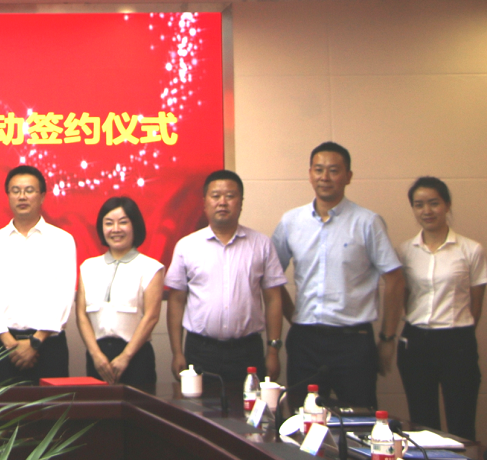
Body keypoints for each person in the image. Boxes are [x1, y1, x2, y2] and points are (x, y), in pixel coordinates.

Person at [272, 142, 404, 409]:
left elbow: (395, 279)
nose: (325, 177)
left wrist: (388, 338)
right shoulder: (291, 221)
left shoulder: (367, 222)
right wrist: (293, 316)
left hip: (353, 342)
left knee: (359, 418)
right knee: (302, 418)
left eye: (333, 170)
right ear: (310, 174)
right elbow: (271, 279)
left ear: (348, 176)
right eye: (319, 170)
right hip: (305, 341)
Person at [165, 170, 286, 392]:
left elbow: (273, 299)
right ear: (204, 203)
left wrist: (273, 350)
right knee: (199, 410)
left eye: (230, 196)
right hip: (200, 351)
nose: (222, 202)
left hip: (247, 351)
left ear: (241, 202)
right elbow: (176, 301)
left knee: (248, 409)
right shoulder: (187, 246)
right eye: (216, 196)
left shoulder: (261, 244)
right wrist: (177, 352)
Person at [396, 177, 484, 441]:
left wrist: (459, 333)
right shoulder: (405, 251)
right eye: (419, 204)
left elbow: (476, 303)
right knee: (422, 424)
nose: (427, 211)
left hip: (457, 341)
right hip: (416, 342)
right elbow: (404, 297)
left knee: (461, 423)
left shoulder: (471, 249)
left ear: (447, 205)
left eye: (434, 203)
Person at [0, 165, 77, 386]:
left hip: (49, 345)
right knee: (2, 408)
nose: (22, 196)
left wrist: (36, 341)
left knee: (52, 408)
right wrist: (9, 343)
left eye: (29, 190)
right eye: (15, 191)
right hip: (4, 347)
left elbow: (63, 294)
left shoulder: (62, 240)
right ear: (8, 196)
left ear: (42, 196)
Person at [75, 197, 164, 393]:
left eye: (123, 222)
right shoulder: (88, 267)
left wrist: (126, 356)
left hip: (136, 357)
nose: (115, 229)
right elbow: (81, 315)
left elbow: (151, 317)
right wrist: (95, 354)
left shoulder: (150, 268)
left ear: (135, 226)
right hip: (98, 358)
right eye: (109, 223)